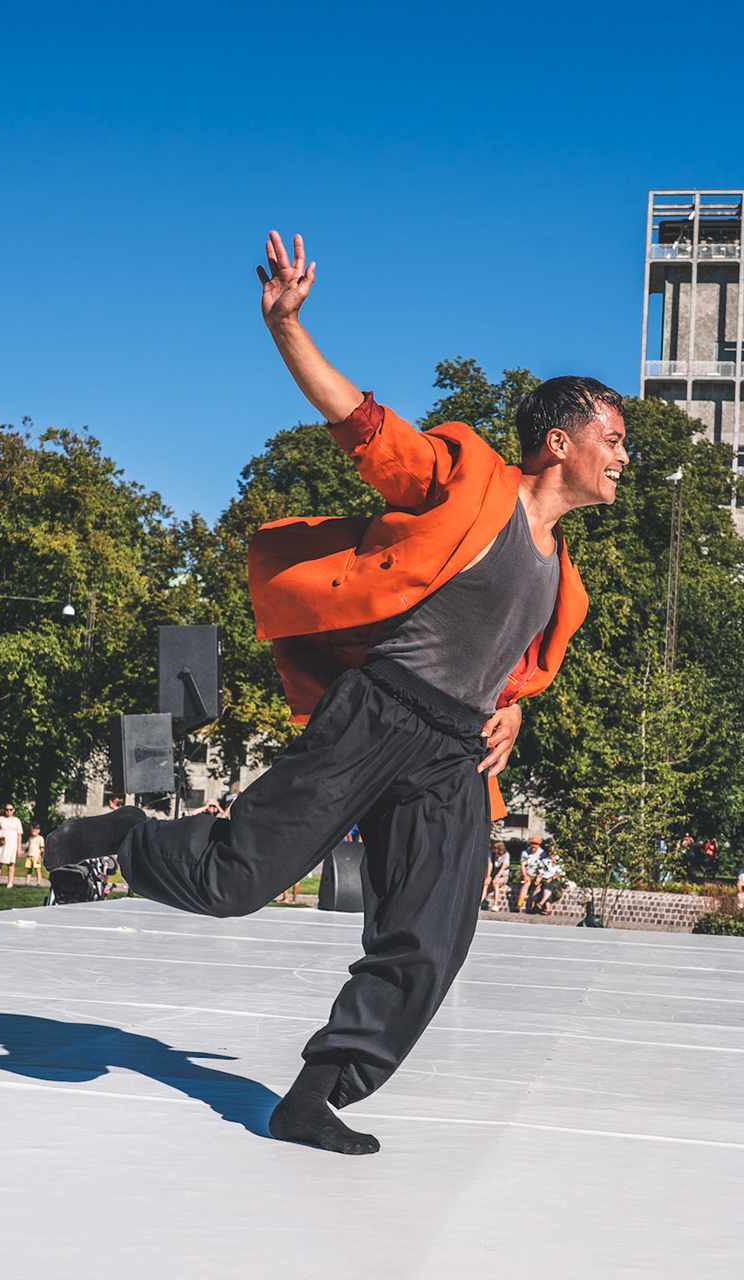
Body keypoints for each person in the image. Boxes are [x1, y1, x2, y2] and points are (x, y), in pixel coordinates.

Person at [43, 232, 619, 1156]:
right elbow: (367, 427)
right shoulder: (470, 476)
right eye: (612, 438)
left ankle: (314, 1094)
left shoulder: (567, 583)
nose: (621, 456)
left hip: (454, 754)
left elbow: (513, 665)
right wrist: (287, 327)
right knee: (237, 883)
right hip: (378, 711)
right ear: (560, 442)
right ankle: (118, 839)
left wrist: (513, 706)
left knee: (432, 937)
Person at [0, 804, 22, 889]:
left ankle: (10, 882)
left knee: (11, 864)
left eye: (10, 809)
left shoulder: (17, 821)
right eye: (7, 809)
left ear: (13, 810)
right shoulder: (0, 819)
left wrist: (19, 848)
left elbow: (19, 835)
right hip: (1, 844)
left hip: (12, 844)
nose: (8, 811)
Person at [482, 840, 510, 911]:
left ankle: (495, 905)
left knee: (495, 883)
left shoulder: (506, 855)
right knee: (486, 884)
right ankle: (479, 902)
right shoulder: (491, 854)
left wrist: (497, 877)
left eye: (494, 848)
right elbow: (490, 865)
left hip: (502, 875)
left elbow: (503, 867)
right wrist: (488, 876)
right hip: (493, 873)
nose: (493, 849)